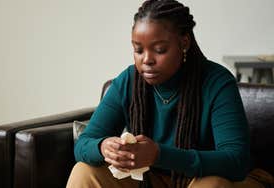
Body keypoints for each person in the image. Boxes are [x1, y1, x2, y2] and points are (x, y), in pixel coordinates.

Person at [66, 0, 273, 188]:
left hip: (212, 178)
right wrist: (103, 147)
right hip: (151, 179)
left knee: (212, 185)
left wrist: (159, 154)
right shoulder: (129, 81)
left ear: (183, 43)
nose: (147, 59)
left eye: (159, 50)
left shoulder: (217, 82)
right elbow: (84, 143)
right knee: (85, 172)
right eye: (138, 50)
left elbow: (235, 161)